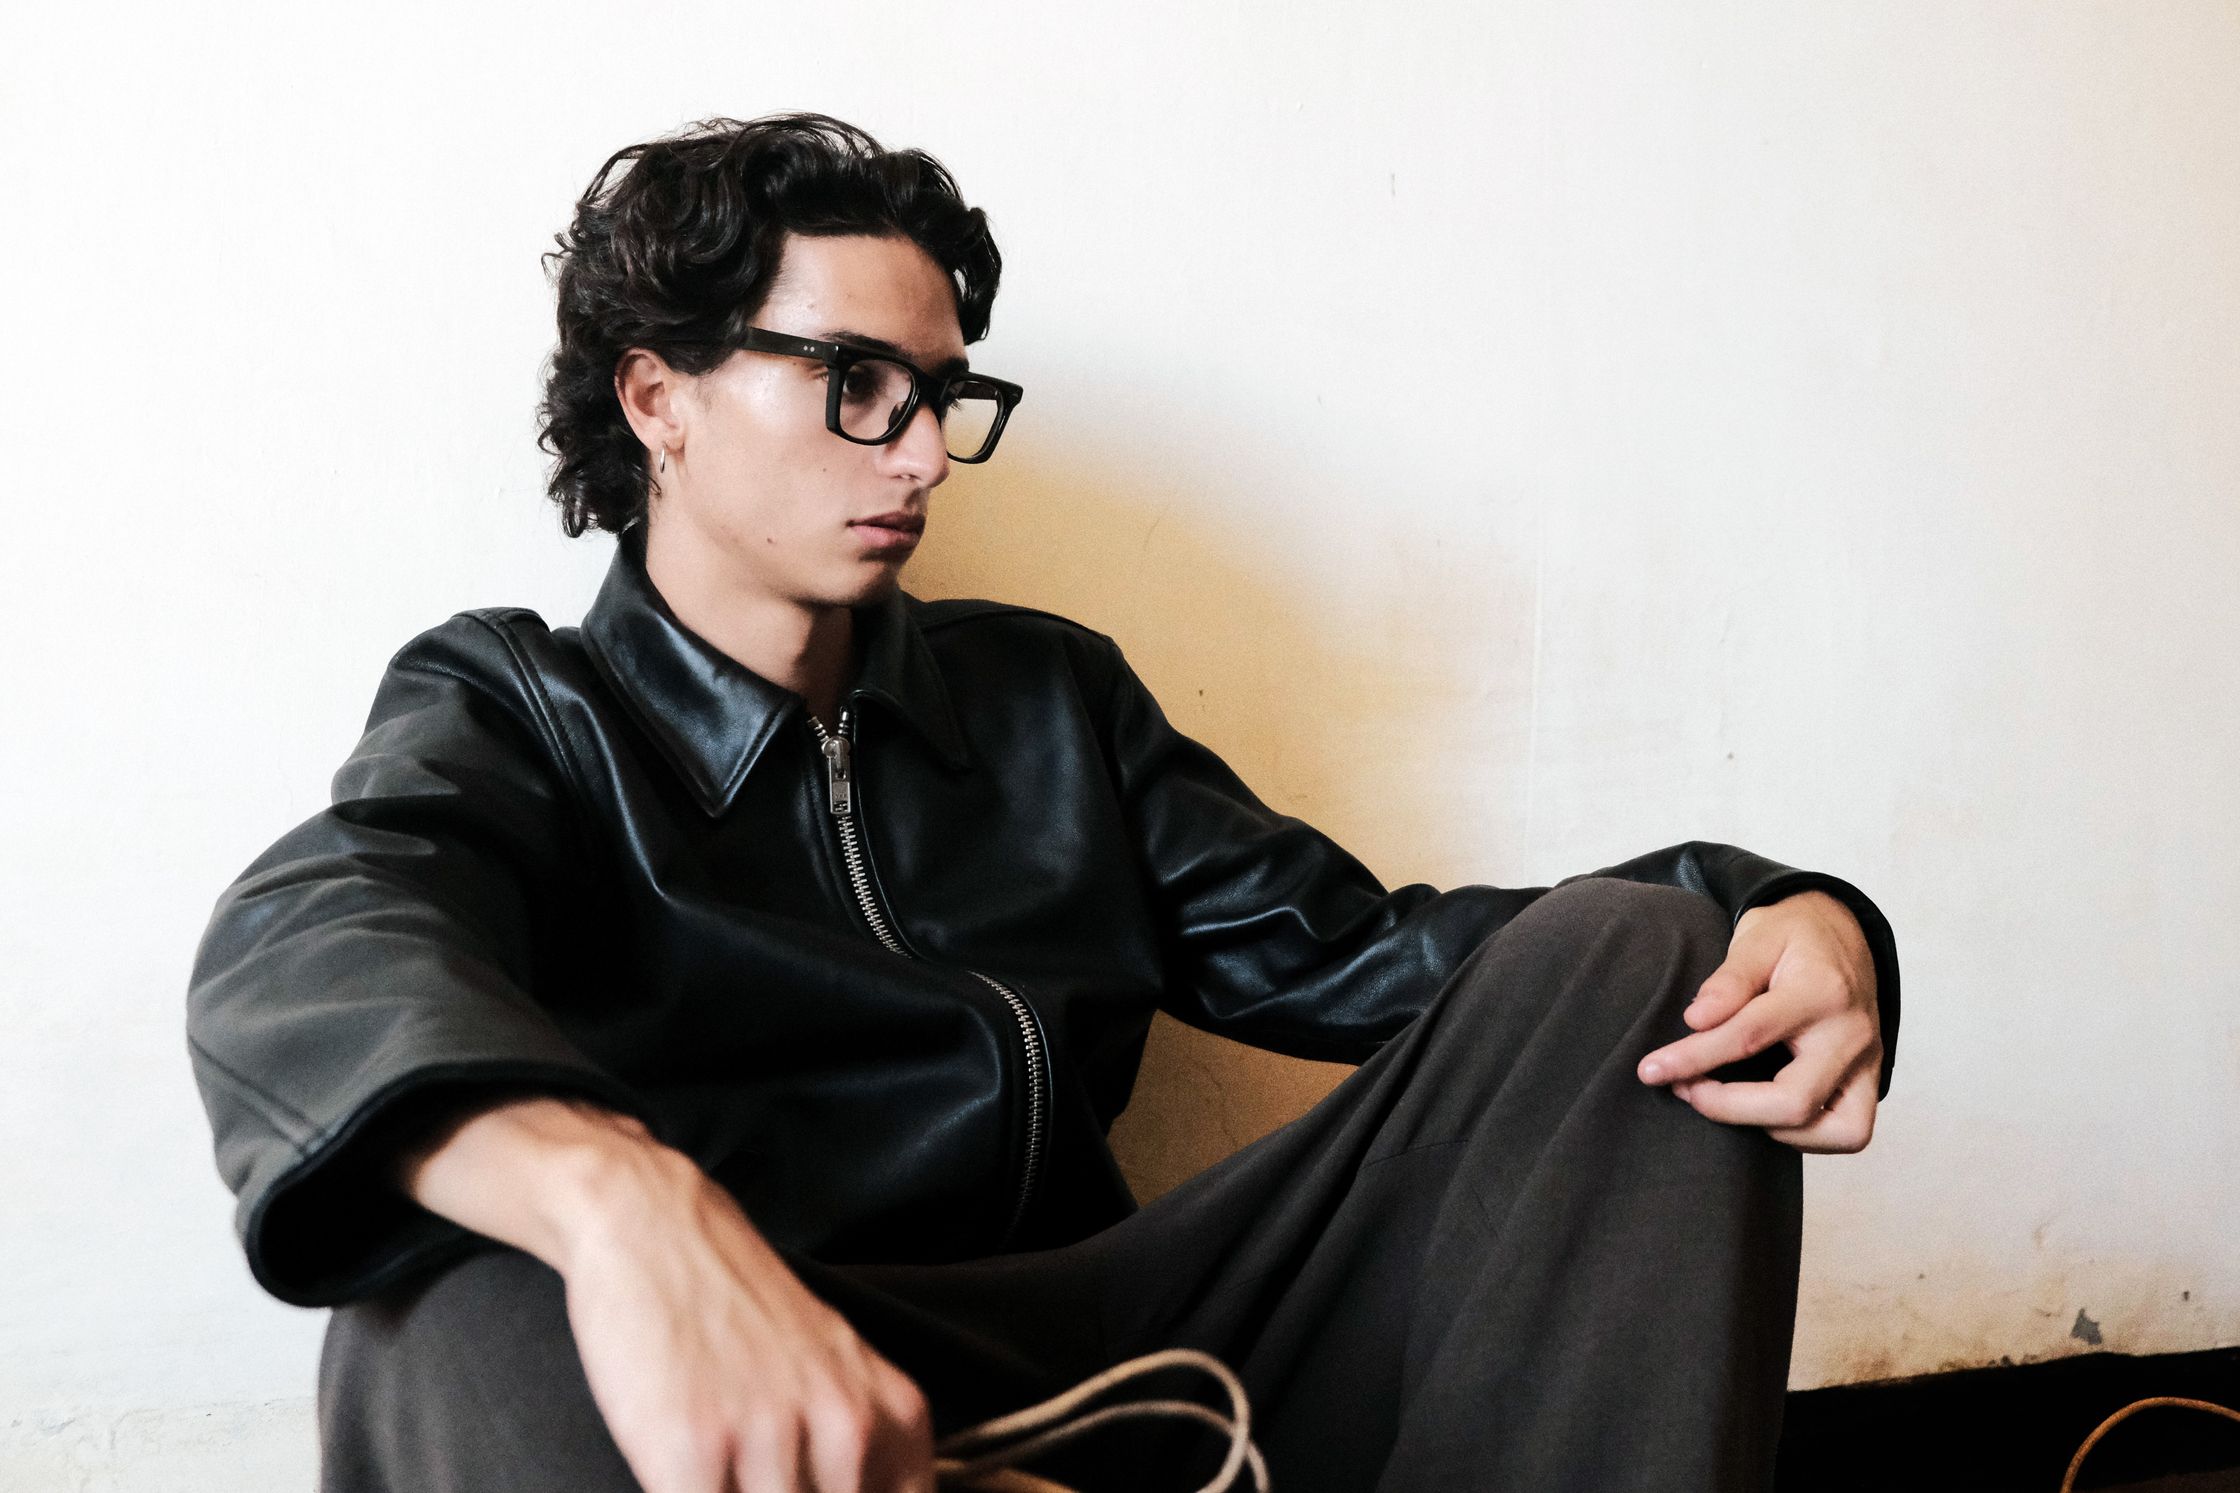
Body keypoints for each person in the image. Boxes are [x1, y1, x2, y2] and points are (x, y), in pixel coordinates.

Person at [185, 111, 1899, 1493]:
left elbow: (1372, 957)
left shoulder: (1043, 697)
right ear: (659, 398)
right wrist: (631, 1208)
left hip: (1135, 1357)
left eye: (942, 395)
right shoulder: (521, 707)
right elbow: (308, 944)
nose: (923, 451)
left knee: (1647, 959)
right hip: (769, 1395)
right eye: (857, 381)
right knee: (436, 1307)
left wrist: (1782, 904)